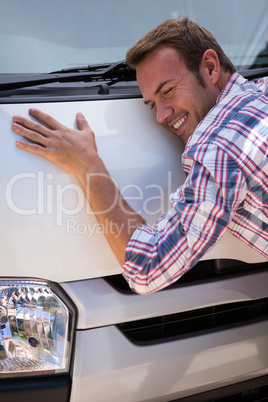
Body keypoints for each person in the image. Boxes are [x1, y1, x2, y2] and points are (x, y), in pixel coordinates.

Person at [11, 17, 268, 294]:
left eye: (168, 91)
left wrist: (88, 165)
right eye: (152, 105)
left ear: (210, 67)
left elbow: (148, 268)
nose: (161, 115)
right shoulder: (259, 94)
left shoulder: (222, 147)